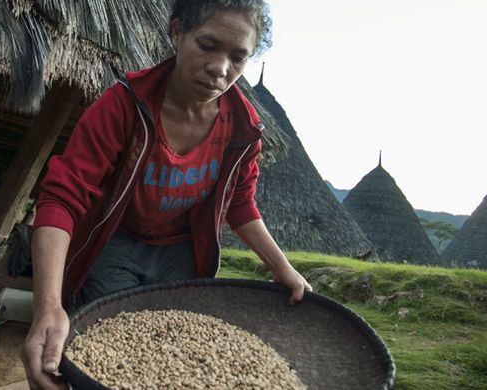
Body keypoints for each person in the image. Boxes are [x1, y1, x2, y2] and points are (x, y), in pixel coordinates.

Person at [21, 1, 312, 388]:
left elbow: (240, 203)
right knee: (114, 353)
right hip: (117, 246)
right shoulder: (124, 106)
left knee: (171, 354)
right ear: (177, 33)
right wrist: (48, 307)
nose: (220, 69)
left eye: (238, 57)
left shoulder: (243, 129)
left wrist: (282, 267)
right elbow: (62, 198)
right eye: (207, 46)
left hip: (182, 254)